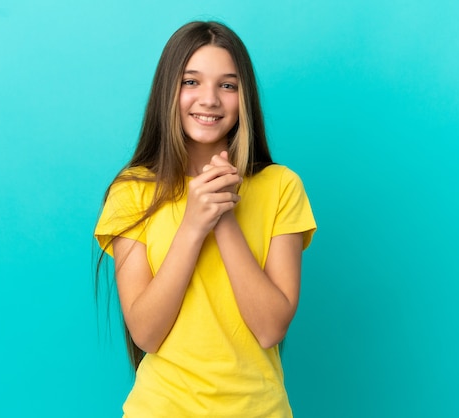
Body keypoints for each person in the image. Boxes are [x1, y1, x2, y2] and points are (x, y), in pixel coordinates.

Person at [94, 20, 316, 417]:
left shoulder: (282, 187)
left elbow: (270, 329)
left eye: (227, 85)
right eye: (191, 82)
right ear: (168, 91)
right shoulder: (132, 192)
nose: (210, 99)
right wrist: (194, 224)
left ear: (243, 97)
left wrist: (224, 218)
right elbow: (146, 333)